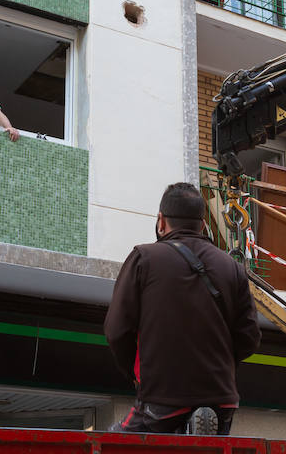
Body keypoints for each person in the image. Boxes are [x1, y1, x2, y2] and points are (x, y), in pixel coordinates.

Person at [104, 183, 262, 435]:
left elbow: (116, 330)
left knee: (111, 445)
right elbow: (250, 337)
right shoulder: (232, 267)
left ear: (161, 221)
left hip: (162, 396)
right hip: (222, 398)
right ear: (202, 225)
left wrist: (136, 376)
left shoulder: (143, 258)